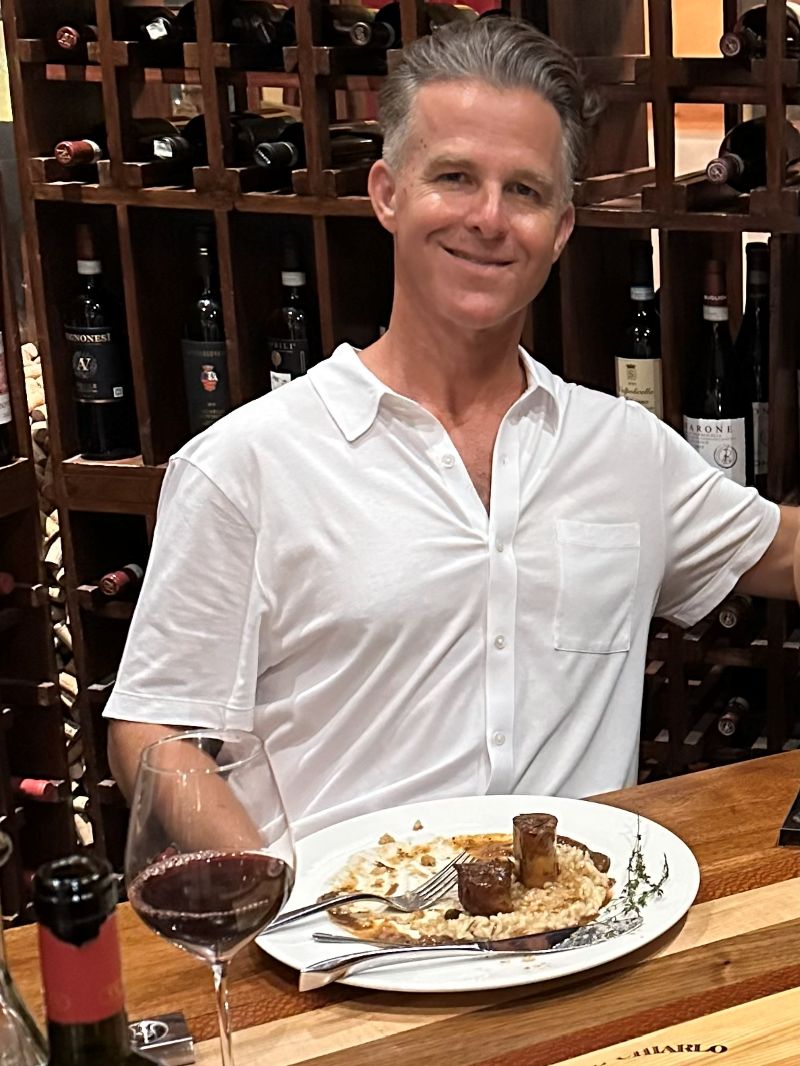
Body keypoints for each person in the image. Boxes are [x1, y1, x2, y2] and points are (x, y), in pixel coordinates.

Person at [106, 18, 798, 838]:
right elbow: (153, 729)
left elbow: (788, 554)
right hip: (341, 917)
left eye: (526, 191)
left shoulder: (625, 452)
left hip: (581, 907)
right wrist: (272, 893)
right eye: (455, 177)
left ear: (561, 230)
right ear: (387, 194)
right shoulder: (244, 466)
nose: (489, 218)